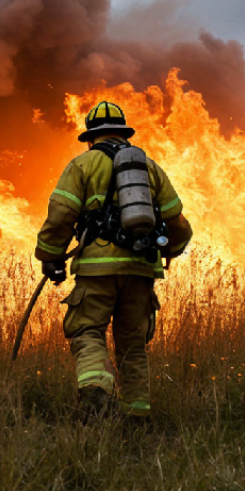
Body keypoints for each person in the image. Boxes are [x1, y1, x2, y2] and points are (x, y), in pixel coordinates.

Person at [35, 100, 192, 420]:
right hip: (141, 270)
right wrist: (170, 249)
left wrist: (50, 257)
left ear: (91, 137)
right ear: (124, 134)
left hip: (96, 270)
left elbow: (62, 214)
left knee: (88, 330)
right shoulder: (149, 167)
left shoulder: (83, 165)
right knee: (133, 346)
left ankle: (95, 390)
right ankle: (137, 417)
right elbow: (176, 221)